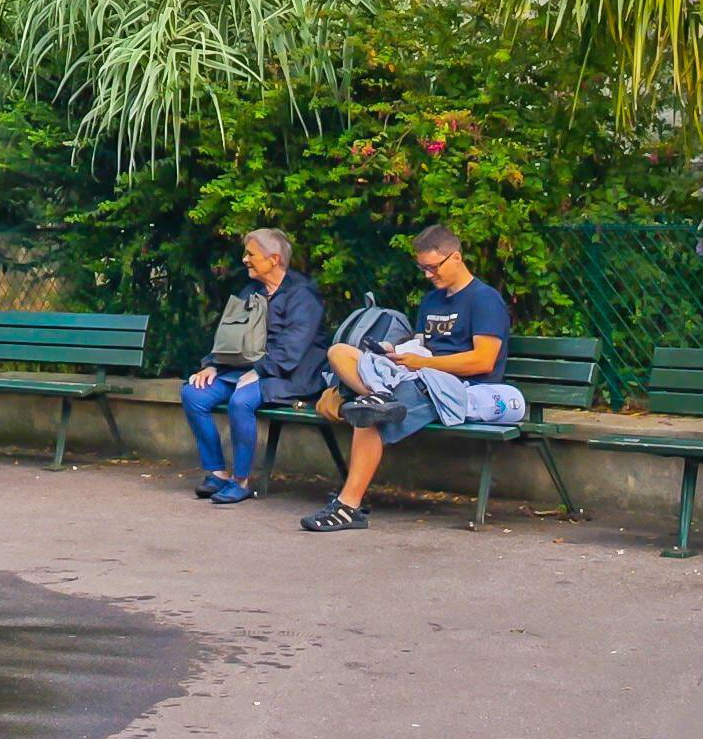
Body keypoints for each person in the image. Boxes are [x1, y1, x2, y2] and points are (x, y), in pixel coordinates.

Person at [301, 223, 521, 534]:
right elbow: (422, 344)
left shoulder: (484, 300)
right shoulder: (432, 301)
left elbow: (483, 360)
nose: (429, 275)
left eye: (433, 267)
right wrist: (398, 352)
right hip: (414, 374)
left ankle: (348, 507)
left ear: (455, 257)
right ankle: (379, 393)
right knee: (340, 352)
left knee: (371, 418)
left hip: (454, 387)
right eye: (423, 269)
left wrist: (421, 363)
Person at [178, 228, 321, 501]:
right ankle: (217, 473)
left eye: (251, 254)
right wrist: (212, 365)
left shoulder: (302, 295)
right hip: (244, 370)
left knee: (241, 401)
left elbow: (293, 350)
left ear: (274, 259)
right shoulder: (251, 290)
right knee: (193, 393)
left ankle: (241, 480)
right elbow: (230, 335)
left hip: (289, 375)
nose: (245, 259)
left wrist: (258, 372)